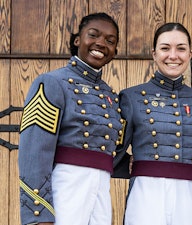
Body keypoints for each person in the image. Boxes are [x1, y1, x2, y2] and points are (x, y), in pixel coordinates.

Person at [18, 12, 123, 225]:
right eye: (93, 35)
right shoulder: (51, 83)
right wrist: (39, 214)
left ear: (115, 51)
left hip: (101, 190)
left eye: (110, 41)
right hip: (65, 188)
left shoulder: (111, 95)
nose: (101, 43)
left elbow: (110, 152)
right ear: (77, 40)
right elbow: (33, 153)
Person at [113, 22, 192, 225]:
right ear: (154, 54)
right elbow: (113, 149)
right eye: (165, 48)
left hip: (190, 197)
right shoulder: (132, 97)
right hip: (145, 195)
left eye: (181, 48)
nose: (173, 55)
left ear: (190, 54)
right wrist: (132, 166)